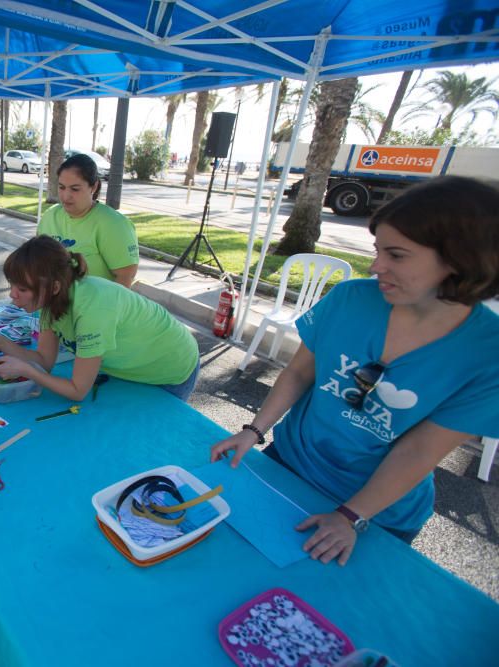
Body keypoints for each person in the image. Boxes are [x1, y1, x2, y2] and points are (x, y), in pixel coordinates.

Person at [210, 176, 499, 566]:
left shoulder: (487, 353)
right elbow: (298, 373)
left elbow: (421, 450)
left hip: (376, 510)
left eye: (396, 255)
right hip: (289, 463)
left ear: (460, 258)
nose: (376, 266)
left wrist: (350, 515)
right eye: (378, 250)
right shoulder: (350, 298)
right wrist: (253, 430)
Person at [0, 235, 200, 403]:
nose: (12, 295)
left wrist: (28, 371)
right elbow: (45, 360)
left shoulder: (92, 311)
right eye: (12, 285)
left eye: (22, 289)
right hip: (133, 367)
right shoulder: (51, 300)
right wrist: (2, 343)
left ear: (54, 286)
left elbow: (78, 391)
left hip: (172, 366)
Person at [37, 153, 139, 288]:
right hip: (53, 306)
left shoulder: (114, 224)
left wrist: (105, 309)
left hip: (96, 307)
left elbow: (125, 277)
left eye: (75, 189)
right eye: (61, 187)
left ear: (94, 187)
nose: (66, 196)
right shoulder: (50, 216)